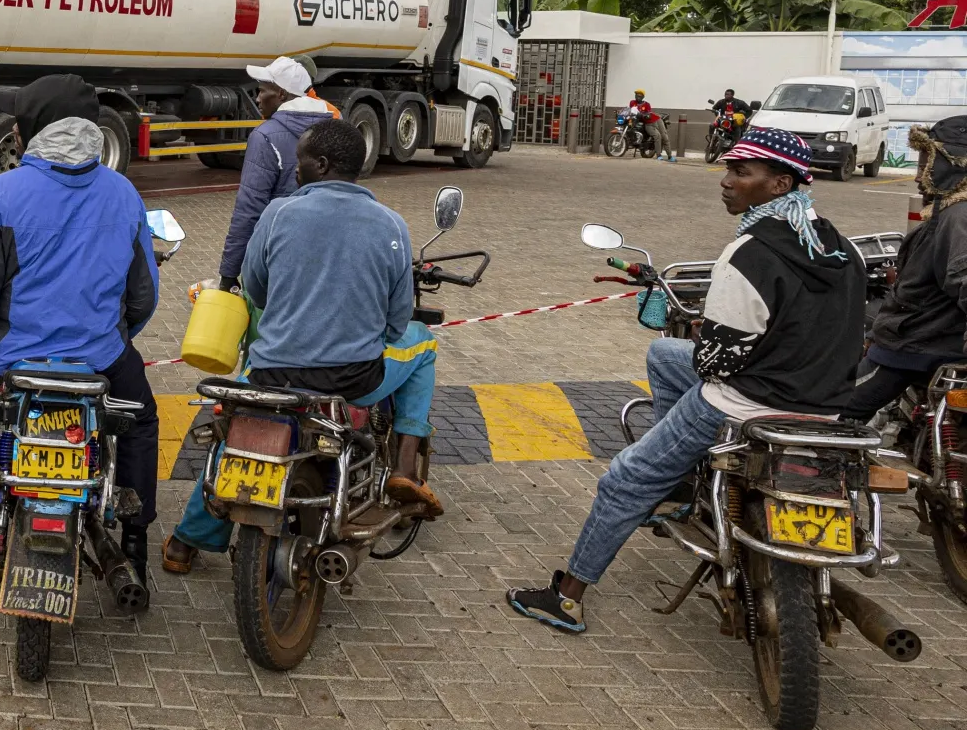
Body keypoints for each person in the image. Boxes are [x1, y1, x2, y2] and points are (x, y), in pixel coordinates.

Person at [508, 126, 866, 634]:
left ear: (781, 184)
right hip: (824, 409)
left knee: (625, 479)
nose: (725, 181)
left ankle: (566, 597)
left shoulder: (746, 255)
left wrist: (715, 337)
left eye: (741, 172)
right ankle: (681, 480)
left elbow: (715, 367)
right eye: (727, 169)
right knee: (664, 353)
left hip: (744, 405)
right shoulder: (842, 249)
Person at [0, 73, 163, 585]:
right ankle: (134, 543)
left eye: (19, 117)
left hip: (15, 365)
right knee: (140, 421)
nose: (13, 126)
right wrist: (111, 336)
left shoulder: (4, 193)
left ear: (33, 128)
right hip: (101, 362)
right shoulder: (123, 193)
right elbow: (144, 295)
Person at [161, 118, 442, 574]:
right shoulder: (392, 225)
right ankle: (406, 467)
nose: (295, 172)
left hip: (273, 372)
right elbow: (395, 325)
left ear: (324, 164)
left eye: (301, 162)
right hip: (352, 379)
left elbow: (257, 292)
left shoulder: (277, 215)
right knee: (423, 343)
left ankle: (186, 542)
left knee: (237, 434)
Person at [849, 117, 967, 412]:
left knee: (832, 409)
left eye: (925, 165)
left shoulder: (958, 217)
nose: (917, 177)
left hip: (914, 348)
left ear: (953, 165)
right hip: (917, 341)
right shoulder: (949, 210)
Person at [217, 55, 339, 293]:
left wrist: (229, 273)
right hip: (331, 254)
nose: (257, 98)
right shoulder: (336, 126)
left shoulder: (265, 135)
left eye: (262, 91)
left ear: (282, 94)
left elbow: (250, 208)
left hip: (281, 257)